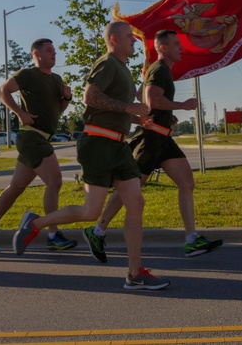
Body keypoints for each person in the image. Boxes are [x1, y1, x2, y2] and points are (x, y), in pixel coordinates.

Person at [12, 22, 169, 291]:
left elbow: (115, 109)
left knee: (136, 202)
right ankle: (36, 223)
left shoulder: (123, 68)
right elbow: (89, 97)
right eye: (130, 37)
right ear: (114, 39)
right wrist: (127, 106)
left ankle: (134, 273)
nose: (135, 41)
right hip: (98, 144)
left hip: (119, 145)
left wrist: (137, 118)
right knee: (90, 211)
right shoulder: (107, 63)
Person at [88, 30, 222, 260]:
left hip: (163, 138)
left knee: (187, 182)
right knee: (130, 189)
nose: (181, 48)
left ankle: (191, 239)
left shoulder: (162, 71)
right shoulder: (160, 69)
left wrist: (165, 113)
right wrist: (182, 105)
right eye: (176, 44)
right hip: (150, 140)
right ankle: (97, 230)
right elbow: (150, 99)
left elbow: (142, 95)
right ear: (163, 48)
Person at [0, 38, 77, 254]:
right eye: (49, 50)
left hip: (42, 137)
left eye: (54, 50)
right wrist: (20, 113)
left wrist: (67, 97)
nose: (54, 53)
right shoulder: (28, 74)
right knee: (55, 181)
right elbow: (3, 91)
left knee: (17, 187)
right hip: (32, 137)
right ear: (36, 54)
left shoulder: (57, 79)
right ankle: (53, 235)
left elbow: (58, 111)